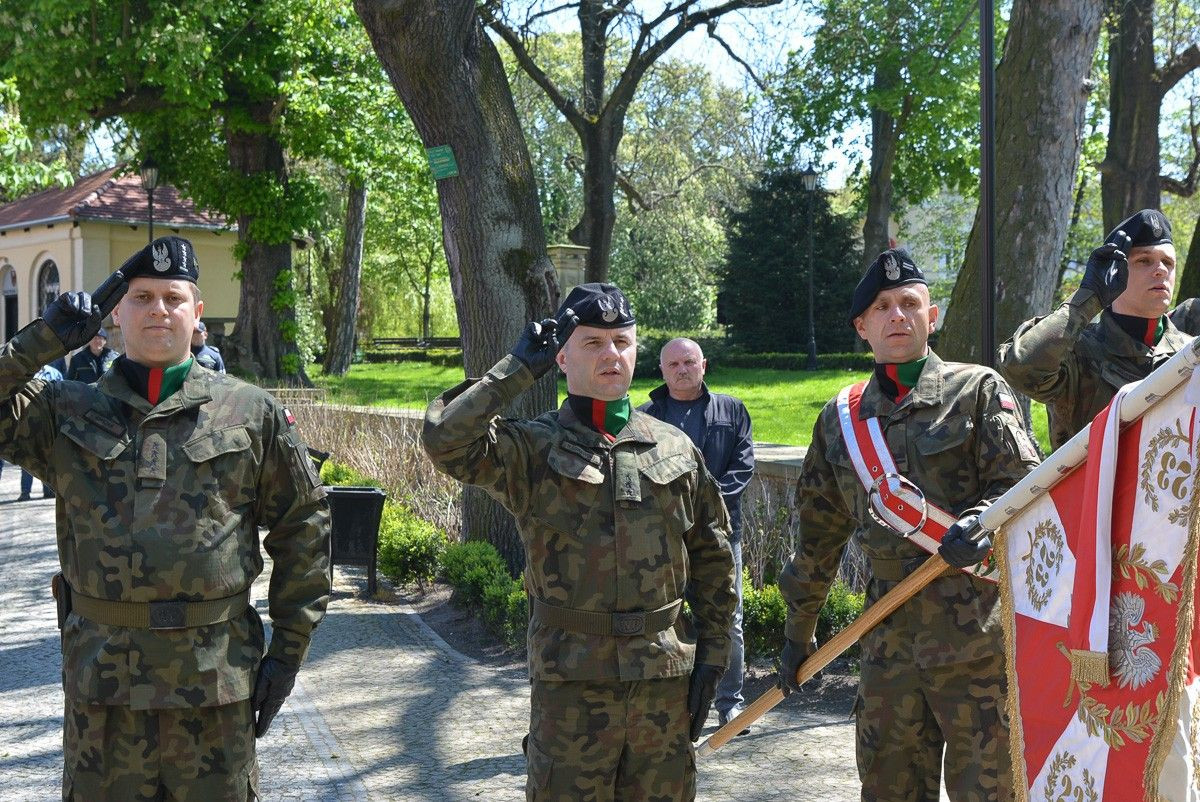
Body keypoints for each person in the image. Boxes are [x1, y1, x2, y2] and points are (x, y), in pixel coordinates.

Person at [0, 235, 331, 801]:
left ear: (196, 312)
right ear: (115, 313)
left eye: (173, 298)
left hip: (214, 688)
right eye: (142, 297)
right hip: (103, 690)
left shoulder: (251, 412)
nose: (158, 310)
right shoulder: (66, 411)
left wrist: (288, 652)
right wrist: (44, 340)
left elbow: (305, 526)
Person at [422, 283, 737, 801]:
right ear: (562, 357)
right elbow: (444, 440)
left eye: (622, 341)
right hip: (571, 684)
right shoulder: (530, 447)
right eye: (593, 343)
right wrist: (517, 370)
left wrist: (713, 657)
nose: (612, 354)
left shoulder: (677, 447)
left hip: (663, 678)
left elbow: (713, 558)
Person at [778, 249, 1039, 802]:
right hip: (888, 652)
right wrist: (798, 632)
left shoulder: (979, 391)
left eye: (909, 304)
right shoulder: (840, 420)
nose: (897, 315)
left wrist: (983, 525)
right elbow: (817, 538)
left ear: (932, 315)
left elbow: (1027, 491)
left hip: (977, 647)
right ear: (862, 327)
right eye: (882, 307)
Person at [998, 209, 1191, 450]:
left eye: (1168, 262)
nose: (1161, 270)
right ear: (1115, 270)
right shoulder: (1077, 351)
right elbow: (1021, 368)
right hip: (1097, 487)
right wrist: (1089, 298)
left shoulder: (1191, 353)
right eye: (1144, 260)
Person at [640, 337, 755, 733]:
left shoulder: (732, 410)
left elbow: (742, 467)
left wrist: (705, 508)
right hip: (663, 538)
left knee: (728, 618)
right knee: (662, 616)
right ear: (662, 370)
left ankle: (731, 703)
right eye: (673, 364)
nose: (682, 369)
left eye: (689, 362)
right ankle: (671, 700)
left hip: (721, 536)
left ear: (704, 365)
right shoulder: (644, 416)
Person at [17, 361, 63, 500]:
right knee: (27, 455)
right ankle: (25, 491)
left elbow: (61, 395)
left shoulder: (55, 374)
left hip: (48, 420)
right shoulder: (25, 372)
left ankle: (48, 490)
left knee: (48, 456)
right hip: (27, 420)